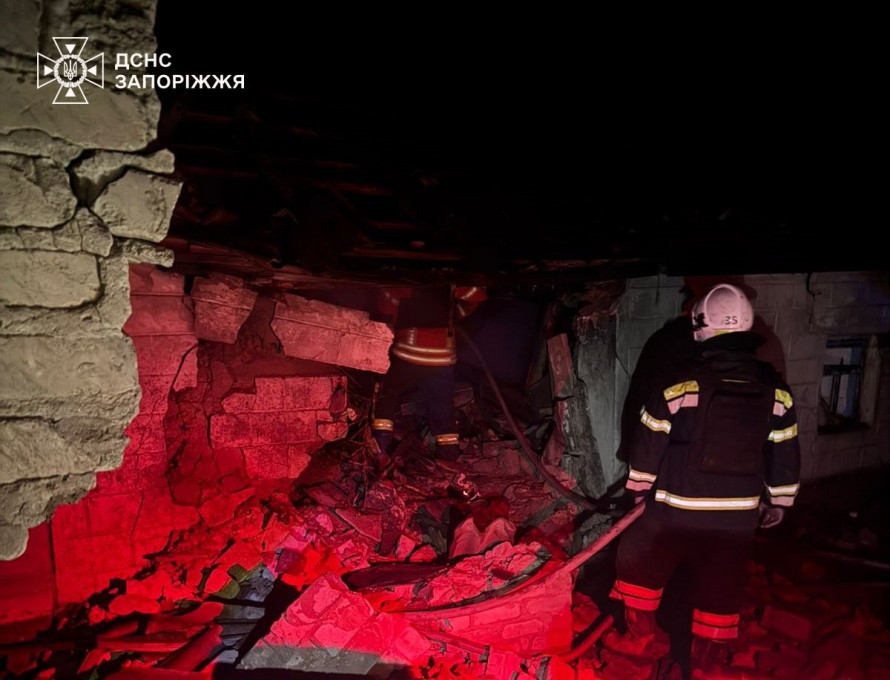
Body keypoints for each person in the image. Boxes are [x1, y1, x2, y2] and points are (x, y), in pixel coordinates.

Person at [607, 283, 801, 678]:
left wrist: (638, 490)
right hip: (735, 520)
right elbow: (785, 451)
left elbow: (649, 438)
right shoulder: (776, 391)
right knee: (720, 588)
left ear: (699, 329)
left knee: (638, 564)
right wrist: (780, 502)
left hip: (672, 511)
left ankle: (640, 644)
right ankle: (706, 666)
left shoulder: (680, 383)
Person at [371, 284, 486, 461]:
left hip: (408, 354)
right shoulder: (453, 282)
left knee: (387, 395)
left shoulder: (404, 281)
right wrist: (453, 310)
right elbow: (477, 296)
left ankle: (380, 448)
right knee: (443, 410)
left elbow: (385, 306)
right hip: (442, 359)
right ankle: (449, 459)